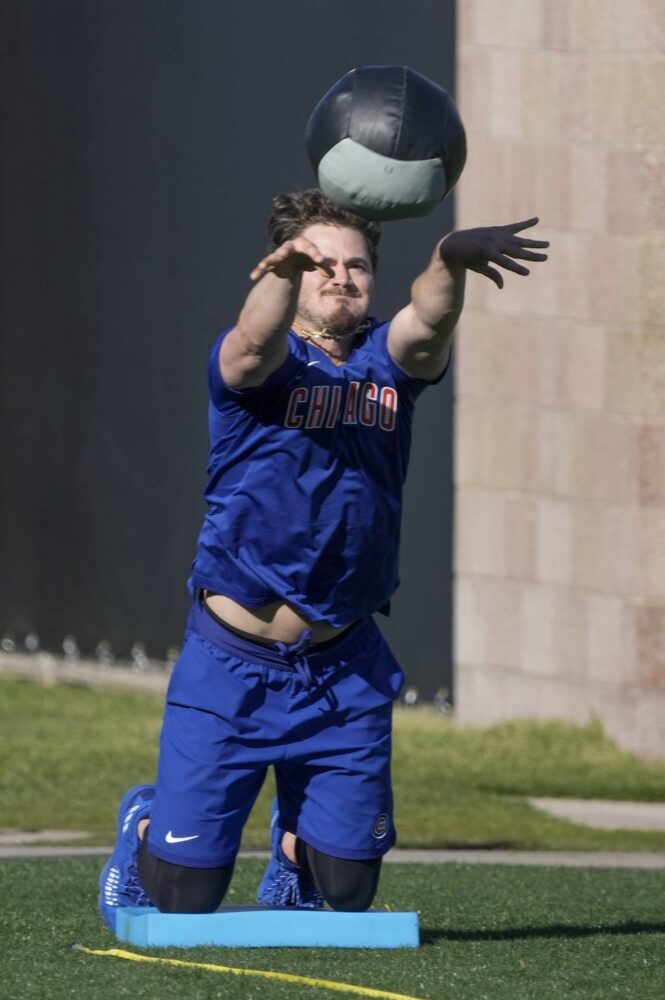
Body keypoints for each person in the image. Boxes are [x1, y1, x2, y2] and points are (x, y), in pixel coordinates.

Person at [99, 189, 548, 929]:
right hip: (231, 666)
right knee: (183, 897)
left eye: (356, 265)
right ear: (289, 276)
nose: (340, 276)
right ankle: (143, 822)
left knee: (345, 889)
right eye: (319, 265)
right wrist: (279, 276)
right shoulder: (257, 368)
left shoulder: (388, 365)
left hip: (342, 666)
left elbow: (428, 322)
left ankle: (294, 844)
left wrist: (449, 260)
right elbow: (252, 342)